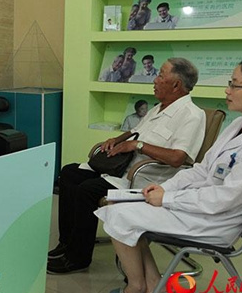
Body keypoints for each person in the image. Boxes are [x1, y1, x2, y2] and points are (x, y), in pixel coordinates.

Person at [95, 58, 242, 293]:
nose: (227, 90)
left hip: (218, 220)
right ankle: (155, 285)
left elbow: (225, 198)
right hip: (200, 204)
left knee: (119, 213)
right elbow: (202, 170)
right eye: (229, 84)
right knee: (118, 201)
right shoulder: (239, 124)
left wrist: (167, 199)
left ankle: (136, 288)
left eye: (235, 85)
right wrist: (166, 189)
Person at [47, 58, 205, 274]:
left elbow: (178, 158)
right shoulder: (159, 108)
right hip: (122, 169)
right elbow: (136, 131)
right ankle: (67, 243)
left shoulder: (192, 115)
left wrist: (137, 145)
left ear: (176, 84)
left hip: (147, 180)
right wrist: (117, 140)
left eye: (160, 75)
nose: (155, 80)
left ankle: (77, 258)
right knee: (69, 173)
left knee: (87, 190)